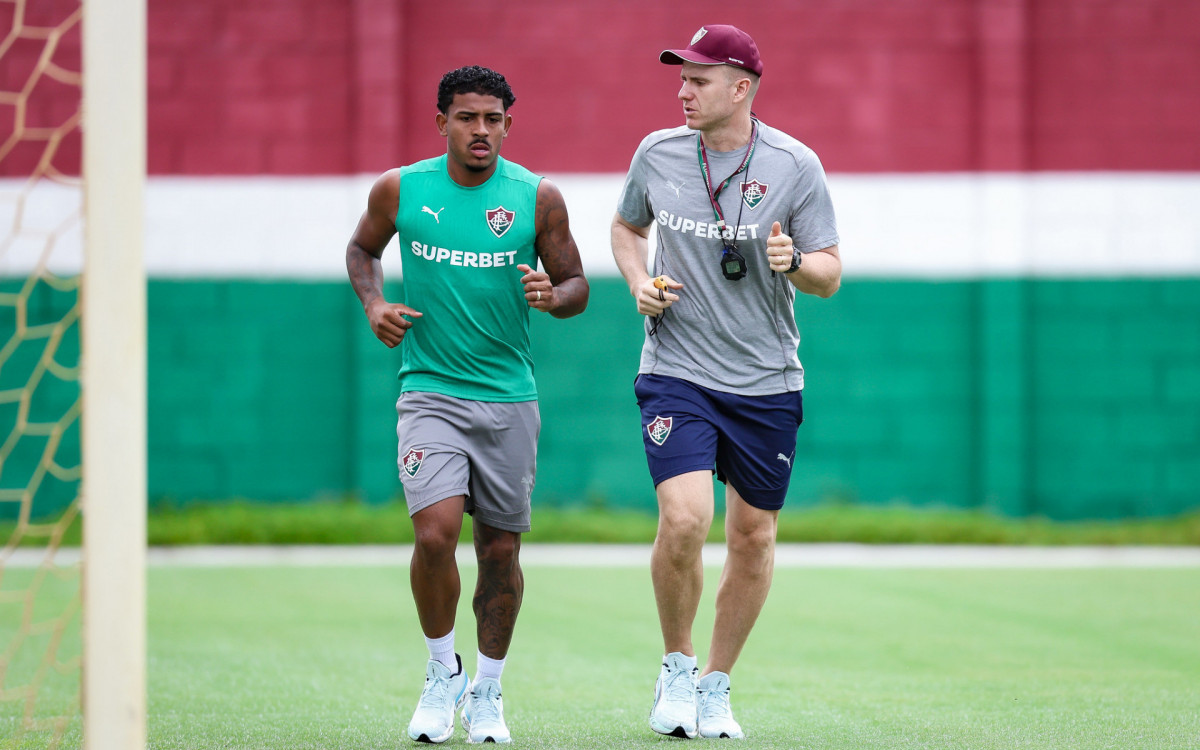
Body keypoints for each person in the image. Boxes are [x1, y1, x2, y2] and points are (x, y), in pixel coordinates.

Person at [610, 25, 842, 740]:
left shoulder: (796, 165)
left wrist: (793, 260)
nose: (682, 91)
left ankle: (716, 684)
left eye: (698, 80)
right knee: (684, 519)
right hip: (676, 368)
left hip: (766, 381)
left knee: (753, 538)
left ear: (741, 89)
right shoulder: (656, 152)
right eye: (680, 78)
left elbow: (829, 275)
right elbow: (625, 230)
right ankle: (676, 668)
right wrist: (638, 281)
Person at [346, 65, 588, 745]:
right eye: (466, 117)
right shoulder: (401, 189)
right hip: (429, 392)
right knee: (434, 536)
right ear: (441, 121)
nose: (479, 130)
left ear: (508, 125)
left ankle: (488, 690)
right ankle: (437, 671)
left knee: (500, 549)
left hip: (509, 399)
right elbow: (362, 249)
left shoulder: (538, 199)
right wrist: (374, 304)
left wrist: (552, 295)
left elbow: (576, 286)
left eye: (492, 119)